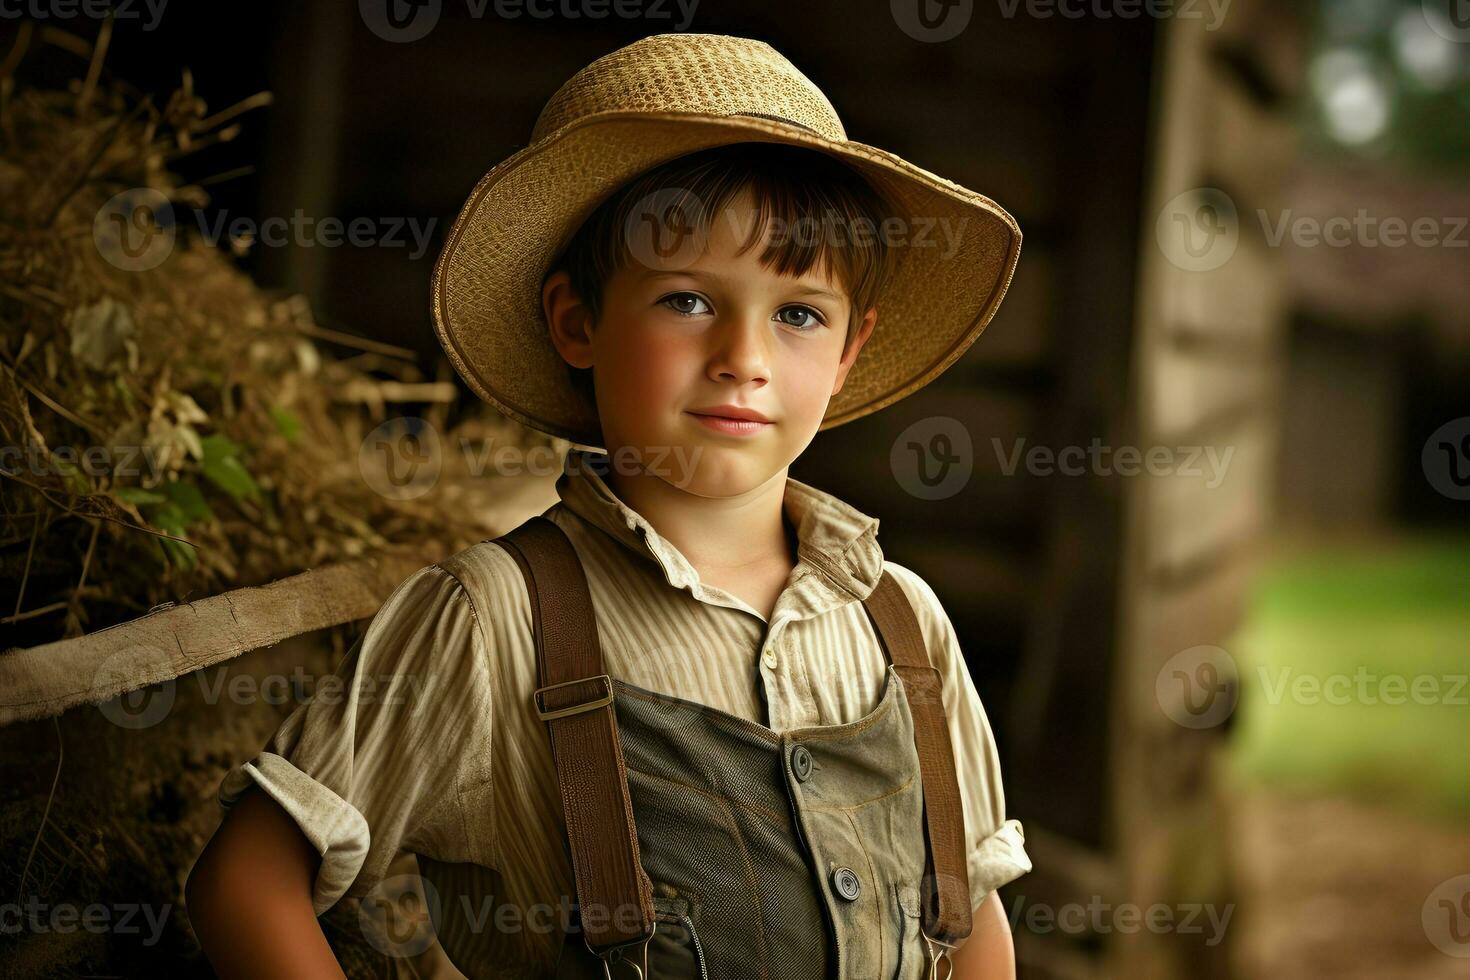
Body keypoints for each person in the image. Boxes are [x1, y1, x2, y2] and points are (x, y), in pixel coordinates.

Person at [187, 32, 1031, 979]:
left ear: (847, 352)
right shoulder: (495, 617)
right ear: (576, 322)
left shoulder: (903, 625)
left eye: (797, 313)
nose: (743, 357)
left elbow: (971, 921)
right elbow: (247, 882)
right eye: (686, 301)